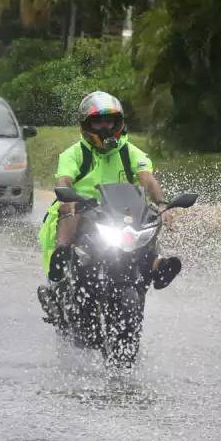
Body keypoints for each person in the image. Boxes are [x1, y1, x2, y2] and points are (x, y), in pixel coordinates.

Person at [36, 92, 182, 320]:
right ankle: (60, 268)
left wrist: (162, 203)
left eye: (109, 121)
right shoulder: (74, 154)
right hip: (82, 212)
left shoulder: (130, 152)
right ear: (86, 125)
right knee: (68, 211)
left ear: (118, 123)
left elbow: (147, 178)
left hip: (119, 214)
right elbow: (64, 181)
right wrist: (68, 200)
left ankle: (155, 264)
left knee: (152, 214)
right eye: (98, 121)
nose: (105, 127)